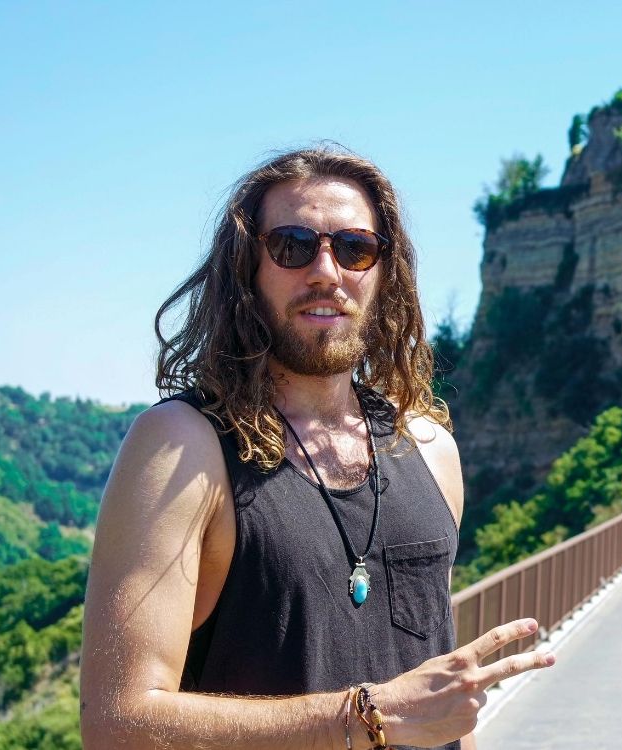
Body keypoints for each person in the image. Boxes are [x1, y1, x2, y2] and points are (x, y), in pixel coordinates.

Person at [79, 147, 554, 750]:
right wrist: (363, 716)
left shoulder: (429, 448)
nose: (325, 271)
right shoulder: (181, 446)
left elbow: (431, 696)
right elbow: (117, 724)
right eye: (293, 246)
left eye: (354, 248)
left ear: (384, 273)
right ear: (246, 270)